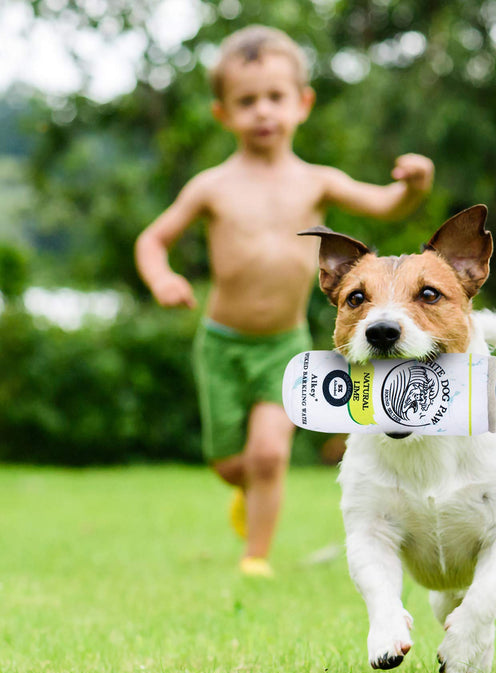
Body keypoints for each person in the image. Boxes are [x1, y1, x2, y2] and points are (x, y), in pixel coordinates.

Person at [135, 25, 434, 577]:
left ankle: (256, 558)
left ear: (302, 104)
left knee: (269, 455)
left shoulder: (315, 181)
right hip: (221, 343)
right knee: (232, 463)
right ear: (223, 113)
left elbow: (386, 204)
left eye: (274, 97)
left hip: (284, 345)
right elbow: (152, 239)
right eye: (246, 101)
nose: (262, 112)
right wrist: (162, 279)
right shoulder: (212, 186)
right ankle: (241, 488)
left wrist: (414, 185)